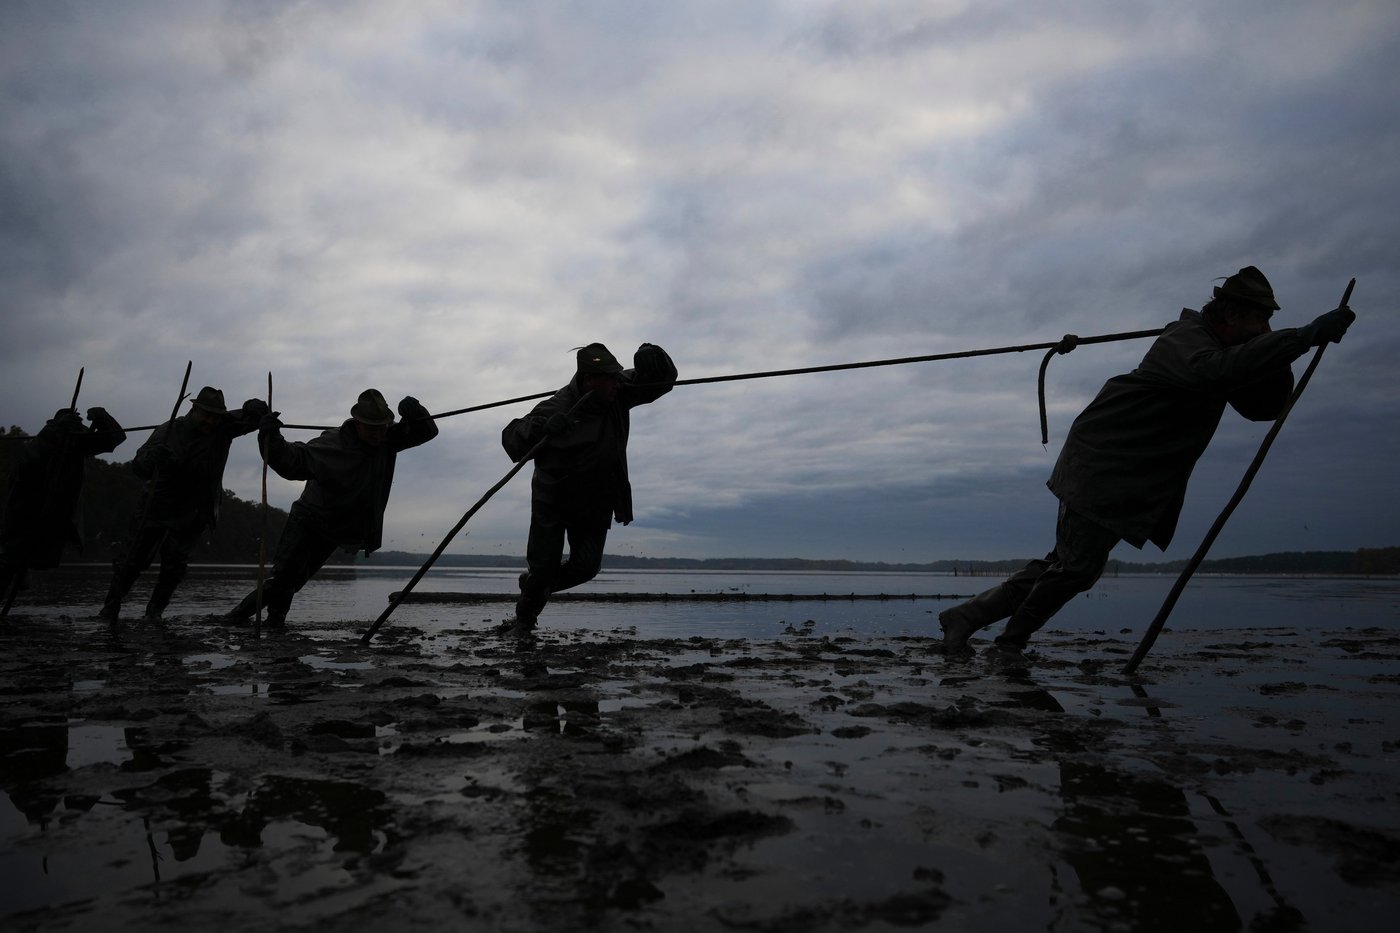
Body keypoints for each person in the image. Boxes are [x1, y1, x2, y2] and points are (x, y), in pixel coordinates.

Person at [939, 266, 1356, 657]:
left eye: (1268, 324)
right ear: (1230, 314)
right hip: (1102, 463)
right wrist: (1299, 338)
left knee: (1065, 564)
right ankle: (1009, 645)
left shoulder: (1226, 350)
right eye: (1259, 321)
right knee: (1077, 569)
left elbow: (1262, 406)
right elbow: (1214, 372)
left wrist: (1285, 349)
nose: (1264, 330)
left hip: (1126, 478)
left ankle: (968, 616)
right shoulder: (1187, 343)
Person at [499, 342, 677, 633]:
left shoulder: (619, 392)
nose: (615, 382)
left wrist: (655, 361)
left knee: (586, 568)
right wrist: (541, 429)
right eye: (608, 377)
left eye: (615, 375)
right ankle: (524, 621)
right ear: (588, 380)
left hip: (594, 499)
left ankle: (534, 586)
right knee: (544, 567)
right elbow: (511, 438)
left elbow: (658, 382)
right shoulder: (556, 407)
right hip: (552, 500)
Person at [223, 389, 438, 627]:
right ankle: (245, 620)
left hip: (337, 528)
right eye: (372, 428)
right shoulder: (331, 445)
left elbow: (425, 431)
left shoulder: (387, 439)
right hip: (308, 519)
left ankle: (271, 624)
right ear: (357, 423)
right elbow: (290, 461)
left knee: (294, 581)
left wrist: (417, 412)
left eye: (382, 426)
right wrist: (270, 437)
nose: (378, 433)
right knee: (283, 578)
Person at [98, 387, 268, 623]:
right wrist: (152, 458)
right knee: (132, 561)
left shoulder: (223, 427)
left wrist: (254, 408)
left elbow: (252, 419)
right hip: (156, 506)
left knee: (174, 567)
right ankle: (110, 608)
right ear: (194, 409)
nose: (211, 420)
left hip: (194, 511)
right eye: (207, 414)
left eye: (215, 416)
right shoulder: (168, 431)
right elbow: (139, 466)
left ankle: (154, 613)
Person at [1, 407, 126, 610]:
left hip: (55, 514)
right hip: (26, 512)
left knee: (26, 558)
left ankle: (21, 575)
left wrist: (103, 418)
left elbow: (115, 439)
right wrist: (54, 432)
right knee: (10, 559)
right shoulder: (43, 442)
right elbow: (27, 465)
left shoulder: (75, 444)